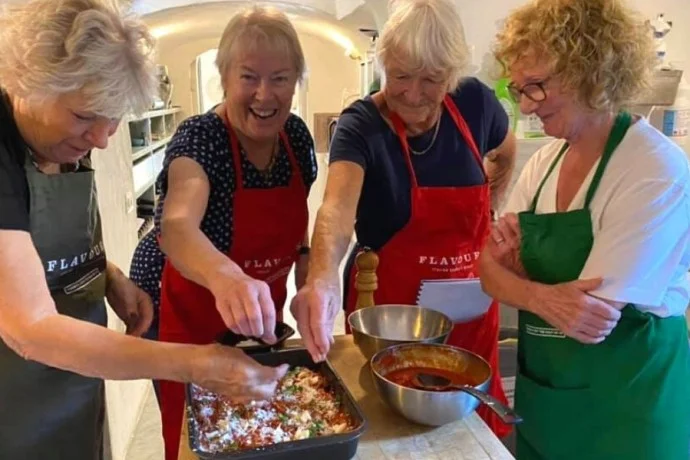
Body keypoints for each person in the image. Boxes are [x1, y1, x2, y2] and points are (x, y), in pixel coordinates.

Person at [0, 1, 289, 458]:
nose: (101, 138)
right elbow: (29, 327)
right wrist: (194, 363)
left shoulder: (62, 135)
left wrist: (105, 273)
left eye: (112, 118)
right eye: (84, 116)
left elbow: (33, 242)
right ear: (27, 81)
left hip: (73, 385)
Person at [292, 0, 516, 438]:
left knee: (473, 430)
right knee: (395, 429)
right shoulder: (361, 126)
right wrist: (320, 278)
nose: (413, 94)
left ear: (451, 77)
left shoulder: (476, 104)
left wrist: (490, 212)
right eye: (400, 76)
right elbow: (336, 209)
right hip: (391, 318)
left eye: (431, 80)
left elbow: (505, 154)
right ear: (383, 66)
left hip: (470, 311)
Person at [480, 0, 690, 458]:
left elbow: (588, 317)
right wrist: (537, 293)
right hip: (548, 409)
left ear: (591, 71)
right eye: (517, 90)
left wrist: (520, 277)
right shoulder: (544, 162)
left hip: (626, 414)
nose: (526, 106)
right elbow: (487, 271)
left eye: (536, 87)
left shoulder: (654, 169)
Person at [129, 7, 318, 460]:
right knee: (200, 435)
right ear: (224, 76)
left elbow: (298, 227)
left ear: (296, 81)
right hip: (181, 312)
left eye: (281, 78)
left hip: (254, 316)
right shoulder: (200, 139)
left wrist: (310, 282)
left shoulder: (296, 136)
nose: (264, 94)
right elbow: (175, 227)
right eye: (249, 76)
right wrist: (227, 277)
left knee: (258, 427)